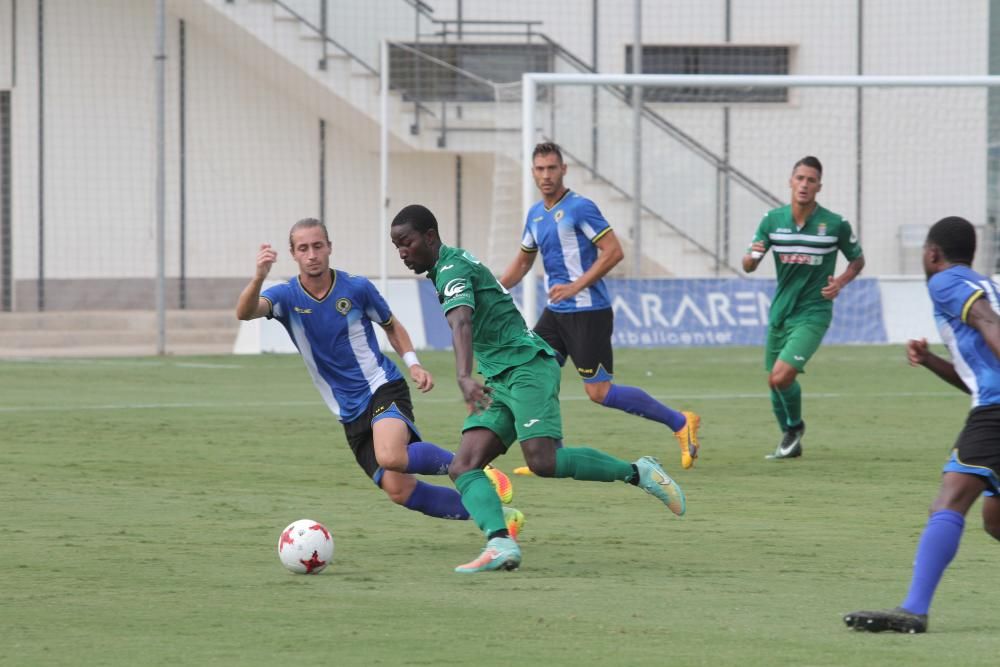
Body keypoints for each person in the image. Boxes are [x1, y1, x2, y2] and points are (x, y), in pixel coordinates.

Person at [390, 204, 685, 575]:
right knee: (464, 465)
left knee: (543, 461)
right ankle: (500, 543)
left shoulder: (451, 269)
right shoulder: (446, 265)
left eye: (407, 242)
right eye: (396, 245)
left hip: (527, 367)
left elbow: (461, 322)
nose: (402, 252)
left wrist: (464, 376)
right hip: (501, 377)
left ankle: (640, 472)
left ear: (430, 237)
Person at [235, 217, 521, 535]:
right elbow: (245, 312)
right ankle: (497, 515)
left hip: (381, 386)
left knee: (391, 455)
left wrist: (412, 363)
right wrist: (259, 276)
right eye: (303, 248)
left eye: (318, 246)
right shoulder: (286, 297)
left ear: (329, 247)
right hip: (347, 410)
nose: (312, 254)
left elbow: (391, 325)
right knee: (401, 491)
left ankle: (474, 465)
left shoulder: (356, 288)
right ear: (293, 254)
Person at [499, 142, 702, 470]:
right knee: (535, 373)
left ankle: (680, 421)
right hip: (556, 313)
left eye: (552, 168)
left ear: (564, 170)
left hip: (588, 312)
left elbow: (613, 251)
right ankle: (551, 456)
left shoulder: (580, 208)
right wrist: (488, 290)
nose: (546, 175)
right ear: (533, 172)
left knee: (600, 392)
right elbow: (523, 263)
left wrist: (576, 286)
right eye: (540, 169)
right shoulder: (535, 215)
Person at [845, 216, 1000, 634]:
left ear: (932, 254)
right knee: (995, 518)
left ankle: (914, 608)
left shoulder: (945, 282)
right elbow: (975, 372)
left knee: (949, 502)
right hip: (990, 400)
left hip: (997, 410)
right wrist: (932, 360)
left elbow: (988, 323)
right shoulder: (987, 284)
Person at [743, 156, 865, 459]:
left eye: (811, 180)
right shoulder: (772, 221)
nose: (804, 185)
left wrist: (841, 281)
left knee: (782, 377)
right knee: (773, 381)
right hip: (781, 312)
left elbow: (857, 259)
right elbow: (747, 265)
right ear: (790, 182)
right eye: (800, 178)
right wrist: (754, 256)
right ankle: (789, 438)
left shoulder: (835, 224)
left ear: (819, 186)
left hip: (814, 312)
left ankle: (795, 428)